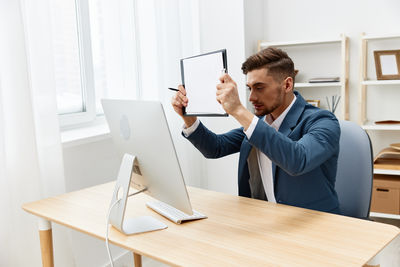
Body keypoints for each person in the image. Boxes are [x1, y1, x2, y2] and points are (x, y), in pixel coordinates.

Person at [171, 47, 341, 214]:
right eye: (249, 88)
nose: (251, 97)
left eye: (259, 88)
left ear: (287, 84)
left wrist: (238, 110)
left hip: (315, 223)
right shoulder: (259, 123)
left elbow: (298, 160)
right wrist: (189, 118)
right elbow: (215, 147)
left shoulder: (323, 121)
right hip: (266, 219)